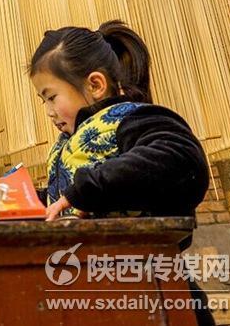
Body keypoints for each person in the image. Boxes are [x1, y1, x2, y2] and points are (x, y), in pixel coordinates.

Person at [28, 20, 213, 325]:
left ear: (95, 84)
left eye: (51, 96)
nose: (48, 111)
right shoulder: (67, 145)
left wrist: (88, 189)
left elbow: (179, 157)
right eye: (42, 101)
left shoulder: (132, 119)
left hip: (154, 292)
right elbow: (61, 203)